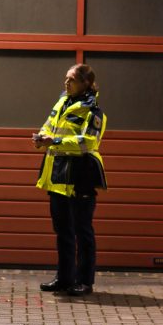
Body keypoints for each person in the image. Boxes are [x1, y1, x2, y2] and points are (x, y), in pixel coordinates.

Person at [33, 64, 107, 296]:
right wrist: (41, 138)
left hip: (80, 176)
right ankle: (64, 278)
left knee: (82, 231)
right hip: (58, 177)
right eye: (66, 78)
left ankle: (84, 281)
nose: (66, 83)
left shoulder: (94, 112)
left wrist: (54, 142)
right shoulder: (61, 104)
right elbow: (48, 126)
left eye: (72, 79)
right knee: (63, 231)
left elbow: (88, 142)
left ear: (86, 83)